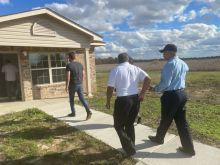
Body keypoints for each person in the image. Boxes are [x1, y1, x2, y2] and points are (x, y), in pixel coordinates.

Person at [148, 44, 195, 156]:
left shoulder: (169, 64)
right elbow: (185, 72)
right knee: (182, 122)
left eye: (164, 52)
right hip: (182, 94)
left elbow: (165, 83)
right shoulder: (183, 63)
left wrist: (154, 89)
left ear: (170, 52)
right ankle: (189, 148)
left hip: (171, 96)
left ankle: (159, 139)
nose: (163, 54)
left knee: (166, 119)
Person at [106, 53, 151, 156]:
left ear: (118, 60)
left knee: (118, 126)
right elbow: (148, 79)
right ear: (128, 59)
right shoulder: (136, 68)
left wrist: (108, 101)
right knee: (129, 124)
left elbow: (110, 88)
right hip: (135, 99)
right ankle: (131, 146)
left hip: (123, 101)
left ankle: (130, 148)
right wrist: (142, 94)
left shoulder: (116, 70)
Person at [66, 52, 92, 120]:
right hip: (80, 84)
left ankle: (73, 113)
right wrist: (81, 82)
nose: (67, 58)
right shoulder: (80, 64)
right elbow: (83, 74)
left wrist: (66, 86)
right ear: (74, 57)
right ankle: (88, 111)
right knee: (82, 99)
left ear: (69, 57)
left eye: (68, 57)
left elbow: (68, 77)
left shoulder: (69, 65)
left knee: (71, 100)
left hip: (72, 85)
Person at [128, 56, 142, 124]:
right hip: (134, 92)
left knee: (131, 108)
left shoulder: (132, 70)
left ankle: (135, 119)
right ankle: (137, 116)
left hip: (131, 93)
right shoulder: (136, 69)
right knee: (134, 107)